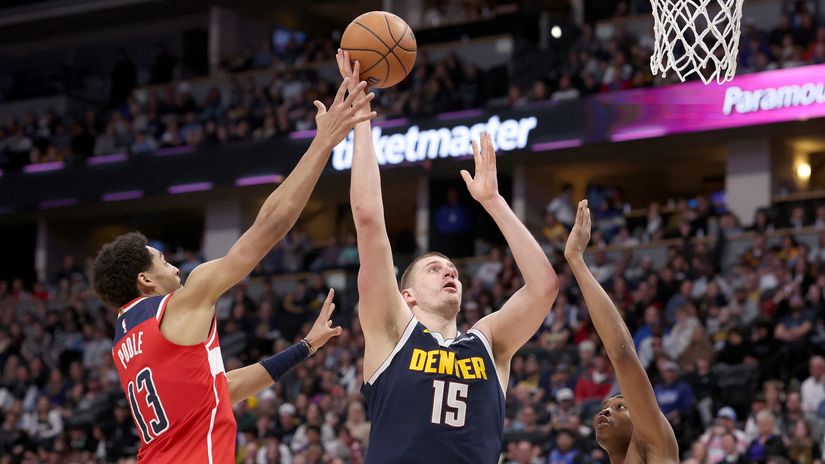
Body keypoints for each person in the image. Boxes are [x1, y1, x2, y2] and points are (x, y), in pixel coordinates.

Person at [92, 77, 376, 463]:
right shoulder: (181, 303)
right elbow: (269, 228)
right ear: (144, 279)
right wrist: (323, 143)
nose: (172, 264)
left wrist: (305, 347)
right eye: (161, 259)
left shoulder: (124, 343)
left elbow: (220, 389)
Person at [337, 50, 559, 463]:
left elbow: (544, 286)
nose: (449, 272)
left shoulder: (488, 342)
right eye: (434, 269)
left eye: (452, 269)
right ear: (407, 296)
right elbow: (368, 219)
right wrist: (362, 122)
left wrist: (493, 202)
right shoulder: (390, 330)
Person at [564, 199, 679, 463]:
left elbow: (621, 352)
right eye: (606, 407)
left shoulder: (654, 448)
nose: (606, 412)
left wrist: (576, 260)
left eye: (621, 407)